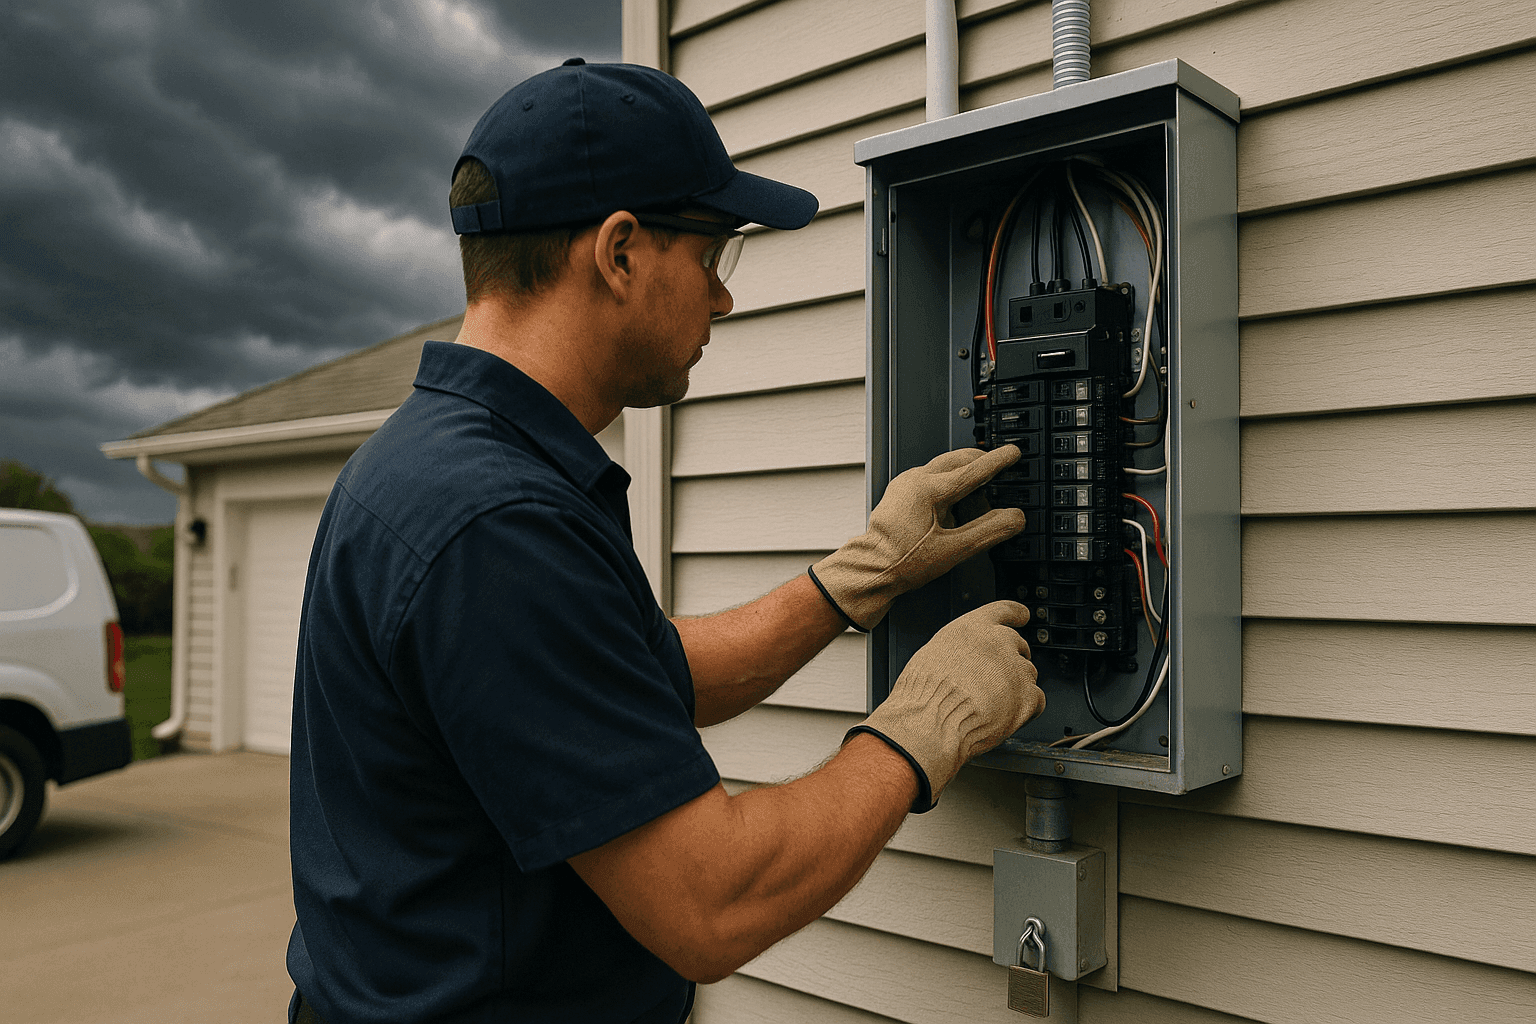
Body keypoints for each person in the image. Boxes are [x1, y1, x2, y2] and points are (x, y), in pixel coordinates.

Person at [286, 59, 1043, 1024]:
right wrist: (921, 729)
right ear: (619, 253)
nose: (722, 301)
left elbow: (632, 674)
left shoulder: (444, 460)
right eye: (711, 258)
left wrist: (859, 578)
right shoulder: (497, 522)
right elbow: (709, 903)